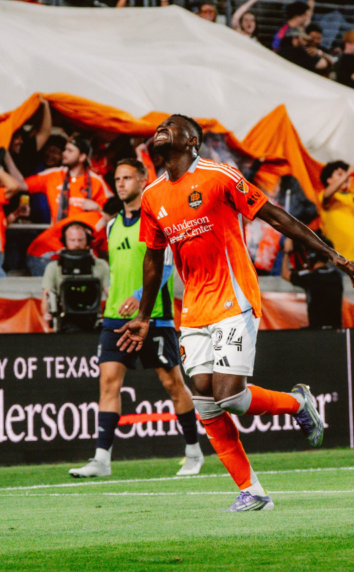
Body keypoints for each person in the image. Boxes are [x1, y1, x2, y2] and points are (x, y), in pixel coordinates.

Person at [117, 114, 354, 512]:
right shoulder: (152, 195)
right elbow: (152, 258)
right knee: (203, 396)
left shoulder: (220, 176)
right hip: (195, 305)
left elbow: (277, 217)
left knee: (228, 396)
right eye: (158, 125)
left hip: (234, 296)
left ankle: (298, 404)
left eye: (171, 125)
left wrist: (329, 253)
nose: (161, 128)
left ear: (192, 139)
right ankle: (253, 491)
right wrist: (145, 316)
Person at [69, 159, 202, 479]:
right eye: (117, 178)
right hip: (115, 317)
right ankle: (102, 460)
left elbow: (167, 266)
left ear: (144, 181)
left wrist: (142, 294)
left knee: (172, 383)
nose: (121, 183)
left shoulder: (158, 219)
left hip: (154, 316)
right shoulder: (113, 225)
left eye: (128, 177)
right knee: (108, 383)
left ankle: (194, 451)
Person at [24, 137, 110, 275]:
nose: (64, 153)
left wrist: (98, 208)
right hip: (55, 249)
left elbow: (112, 216)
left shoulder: (96, 181)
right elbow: (20, 185)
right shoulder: (53, 174)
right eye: (64, 149)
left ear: (82, 157)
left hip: (85, 253)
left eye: (70, 150)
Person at [42, 221, 109, 330]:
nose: (76, 244)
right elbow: (47, 295)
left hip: (93, 319)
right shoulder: (53, 268)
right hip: (65, 320)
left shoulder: (101, 265)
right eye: (72, 240)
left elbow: (109, 292)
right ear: (65, 242)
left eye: (80, 240)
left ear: (87, 240)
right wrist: (47, 314)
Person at [281, 236, 345, 330]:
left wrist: (286, 251)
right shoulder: (337, 276)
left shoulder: (311, 278)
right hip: (335, 332)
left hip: (316, 333)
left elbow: (285, 273)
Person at [317, 161, 354, 270]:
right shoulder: (326, 196)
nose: (345, 177)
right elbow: (327, 195)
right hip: (337, 259)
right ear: (328, 180)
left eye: (346, 173)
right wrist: (348, 173)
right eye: (340, 174)